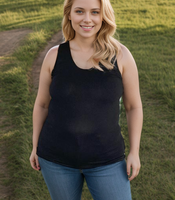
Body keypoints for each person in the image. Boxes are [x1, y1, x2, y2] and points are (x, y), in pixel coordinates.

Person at [30, 0, 143, 199]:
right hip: (56, 160)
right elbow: (42, 104)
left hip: (107, 160)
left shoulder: (121, 56)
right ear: (70, 14)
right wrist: (35, 145)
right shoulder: (54, 56)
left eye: (95, 12)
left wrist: (134, 151)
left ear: (103, 16)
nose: (87, 19)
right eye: (80, 11)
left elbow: (133, 107)